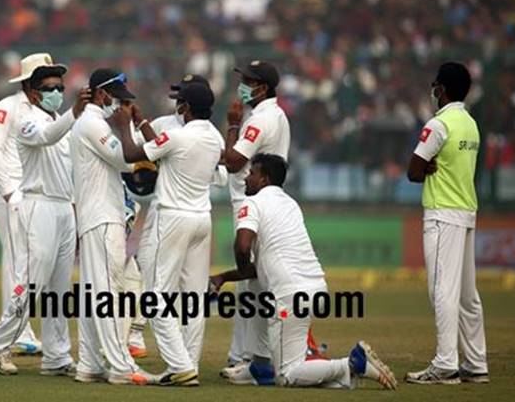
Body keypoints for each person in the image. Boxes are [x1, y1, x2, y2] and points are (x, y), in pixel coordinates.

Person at [210, 154, 397, 390]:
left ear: (264, 179)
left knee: (286, 375)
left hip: (289, 298)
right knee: (300, 366)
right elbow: (261, 268)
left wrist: (242, 266)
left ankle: (351, 364)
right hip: (316, 290)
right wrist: (225, 277)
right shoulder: (290, 204)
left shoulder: (253, 203)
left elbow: (242, 245)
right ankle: (346, 377)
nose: (246, 178)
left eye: (252, 173)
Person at [0, 56, 88, 377]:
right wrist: (10, 193)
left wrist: (75, 207)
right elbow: (43, 137)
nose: (57, 91)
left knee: (59, 287)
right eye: (49, 87)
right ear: (30, 87)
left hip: (62, 207)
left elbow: (68, 165)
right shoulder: (24, 117)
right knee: (31, 280)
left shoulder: (57, 116)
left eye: (60, 86)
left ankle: (57, 356)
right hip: (35, 203)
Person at [115, 79, 224, 386]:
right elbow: (165, 145)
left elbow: (133, 153)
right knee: (193, 298)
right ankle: (189, 363)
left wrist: (125, 126)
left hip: (173, 218)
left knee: (154, 296)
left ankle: (180, 367)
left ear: (185, 107)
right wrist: (143, 122)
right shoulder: (214, 137)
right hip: (202, 220)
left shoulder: (178, 136)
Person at [69, 68, 155, 385]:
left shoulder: (89, 124)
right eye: (118, 100)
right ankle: (120, 367)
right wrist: (127, 127)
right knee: (109, 293)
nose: (121, 107)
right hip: (103, 218)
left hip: (97, 217)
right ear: (103, 94)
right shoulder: (92, 123)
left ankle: (89, 364)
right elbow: (126, 160)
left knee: (95, 294)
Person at [405, 62, 489, 385]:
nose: (433, 91)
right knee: (467, 294)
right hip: (467, 211)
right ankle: (476, 362)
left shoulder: (439, 125)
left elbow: (414, 170)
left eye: (435, 86)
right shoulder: (470, 123)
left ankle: (445, 363)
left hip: (443, 214)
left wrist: (425, 169)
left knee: (442, 290)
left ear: (442, 89)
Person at [220, 60, 291, 376]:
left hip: (251, 202)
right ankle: (243, 354)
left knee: (252, 282)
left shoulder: (258, 120)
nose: (242, 86)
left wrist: (232, 125)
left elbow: (234, 162)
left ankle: (249, 358)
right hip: (266, 202)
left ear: (262, 88)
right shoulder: (276, 115)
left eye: (248, 81)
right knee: (250, 283)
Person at [0, 54, 51, 355]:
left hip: (36, 195)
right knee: (17, 259)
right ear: (28, 82)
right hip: (9, 192)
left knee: (34, 260)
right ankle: (18, 331)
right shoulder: (6, 108)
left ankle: (21, 327)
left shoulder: (47, 114)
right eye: (44, 79)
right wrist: (10, 192)